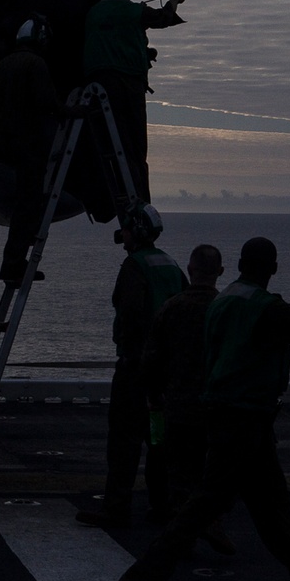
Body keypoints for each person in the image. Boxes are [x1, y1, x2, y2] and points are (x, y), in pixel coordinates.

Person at [120, 237, 290, 581]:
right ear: (273, 269)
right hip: (244, 418)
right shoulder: (265, 309)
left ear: (240, 264)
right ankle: (146, 574)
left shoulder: (225, 300)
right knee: (208, 503)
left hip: (228, 414)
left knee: (271, 505)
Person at [76, 203, 186, 528]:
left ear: (135, 231)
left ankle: (116, 508)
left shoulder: (134, 266)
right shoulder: (171, 264)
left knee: (124, 440)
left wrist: (133, 358)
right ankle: (162, 506)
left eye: (125, 229)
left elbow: (132, 317)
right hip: (166, 375)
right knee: (157, 439)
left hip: (137, 372)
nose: (121, 235)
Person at [140, 243, 234, 556]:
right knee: (213, 475)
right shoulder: (226, 310)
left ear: (190, 270)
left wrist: (154, 397)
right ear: (220, 272)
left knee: (180, 477)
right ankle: (213, 523)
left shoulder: (170, 308)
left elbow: (152, 359)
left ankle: (181, 539)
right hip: (217, 409)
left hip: (177, 407)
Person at [83, 0, 190, 202]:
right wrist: (174, 0)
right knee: (135, 148)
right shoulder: (131, 11)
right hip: (126, 84)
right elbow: (163, 18)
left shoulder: (92, 13)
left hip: (95, 85)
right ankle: (141, 204)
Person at [0, 18, 76, 283]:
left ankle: (13, 263)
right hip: (29, 146)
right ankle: (13, 265)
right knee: (28, 206)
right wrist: (73, 112)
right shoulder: (36, 64)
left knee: (24, 207)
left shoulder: (1, 66)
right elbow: (49, 103)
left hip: (5, 144)